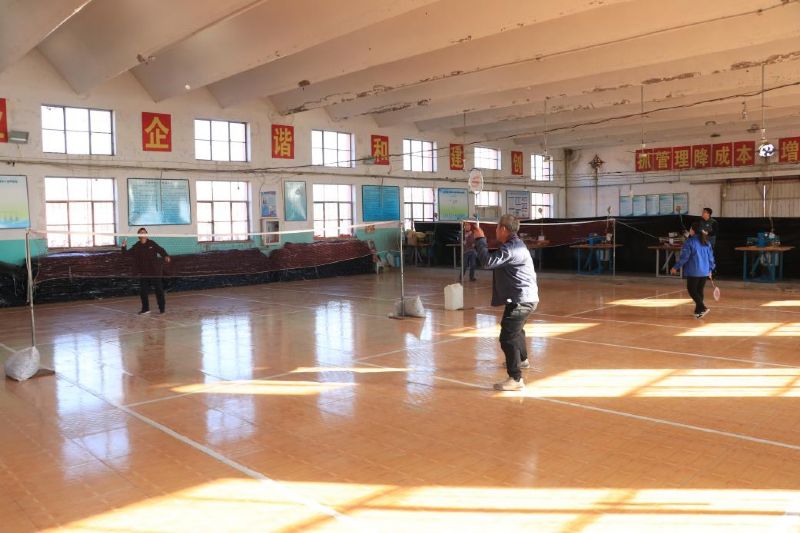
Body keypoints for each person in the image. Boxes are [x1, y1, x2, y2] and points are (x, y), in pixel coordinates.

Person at [473, 215, 539, 391]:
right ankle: (522, 360)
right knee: (517, 331)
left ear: (503, 229)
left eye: (497, 228)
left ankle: (516, 379)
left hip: (521, 300)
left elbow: (488, 262)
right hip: (524, 298)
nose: (495, 231)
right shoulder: (515, 244)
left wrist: (480, 240)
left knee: (507, 337)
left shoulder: (512, 248)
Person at [121, 228, 171, 315]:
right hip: (144, 273)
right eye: (141, 232)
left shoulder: (152, 243)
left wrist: (166, 256)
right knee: (143, 292)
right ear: (138, 236)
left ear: (146, 234)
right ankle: (145, 309)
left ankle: (162, 309)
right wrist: (123, 246)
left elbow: (161, 250)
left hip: (155, 272)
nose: (143, 233)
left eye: (144, 232)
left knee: (159, 291)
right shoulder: (137, 246)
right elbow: (125, 254)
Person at [671, 221, 715, 319]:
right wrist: (710, 269)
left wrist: (675, 267)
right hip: (704, 271)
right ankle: (698, 312)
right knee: (699, 291)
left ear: (693, 230)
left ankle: (703, 308)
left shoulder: (689, 242)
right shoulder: (706, 242)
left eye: (690, 228)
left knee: (691, 290)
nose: (689, 230)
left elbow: (684, 258)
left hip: (694, 271)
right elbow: (711, 258)